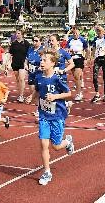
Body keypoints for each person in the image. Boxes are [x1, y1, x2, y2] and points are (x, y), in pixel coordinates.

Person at [35, 50, 75, 186]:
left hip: (57, 116)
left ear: (52, 63)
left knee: (56, 146)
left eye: (45, 60)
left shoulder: (57, 78)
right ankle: (47, 172)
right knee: (43, 144)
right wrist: (31, 97)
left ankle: (68, 142)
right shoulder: (39, 77)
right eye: (41, 59)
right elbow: (37, 91)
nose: (41, 62)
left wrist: (55, 97)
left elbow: (68, 93)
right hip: (43, 116)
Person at [8, 30, 31, 103]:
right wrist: (8, 63)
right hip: (15, 63)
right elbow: (10, 54)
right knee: (18, 79)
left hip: (23, 63)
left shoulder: (26, 43)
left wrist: (27, 63)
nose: (17, 35)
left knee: (21, 79)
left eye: (18, 33)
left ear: (22, 34)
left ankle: (21, 95)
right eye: (16, 33)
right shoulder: (13, 43)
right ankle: (20, 93)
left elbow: (29, 54)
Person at [90, 26, 105, 103]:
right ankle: (97, 94)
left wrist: (103, 29)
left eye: (100, 31)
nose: (99, 32)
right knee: (95, 77)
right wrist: (91, 57)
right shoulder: (96, 39)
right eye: (97, 31)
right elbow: (94, 48)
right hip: (98, 59)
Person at [66, 27, 87, 102]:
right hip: (72, 59)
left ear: (79, 33)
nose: (75, 34)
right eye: (74, 33)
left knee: (76, 76)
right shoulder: (70, 40)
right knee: (76, 76)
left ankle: (79, 93)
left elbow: (87, 49)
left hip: (79, 58)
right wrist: (69, 51)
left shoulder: (82, 40)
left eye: (77, 33)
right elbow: (67, 49)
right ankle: (80, 83)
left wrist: (86, 58)